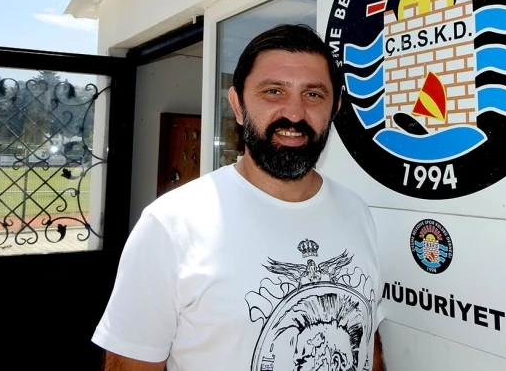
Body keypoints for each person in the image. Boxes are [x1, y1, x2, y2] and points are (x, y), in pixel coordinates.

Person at [92, 24, 386, 371]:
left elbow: (367, 340)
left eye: (313, 94)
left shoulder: (356, 212)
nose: (294, 113)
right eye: (273, 91)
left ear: (334, 108)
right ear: (238, 105)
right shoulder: (171, 225)